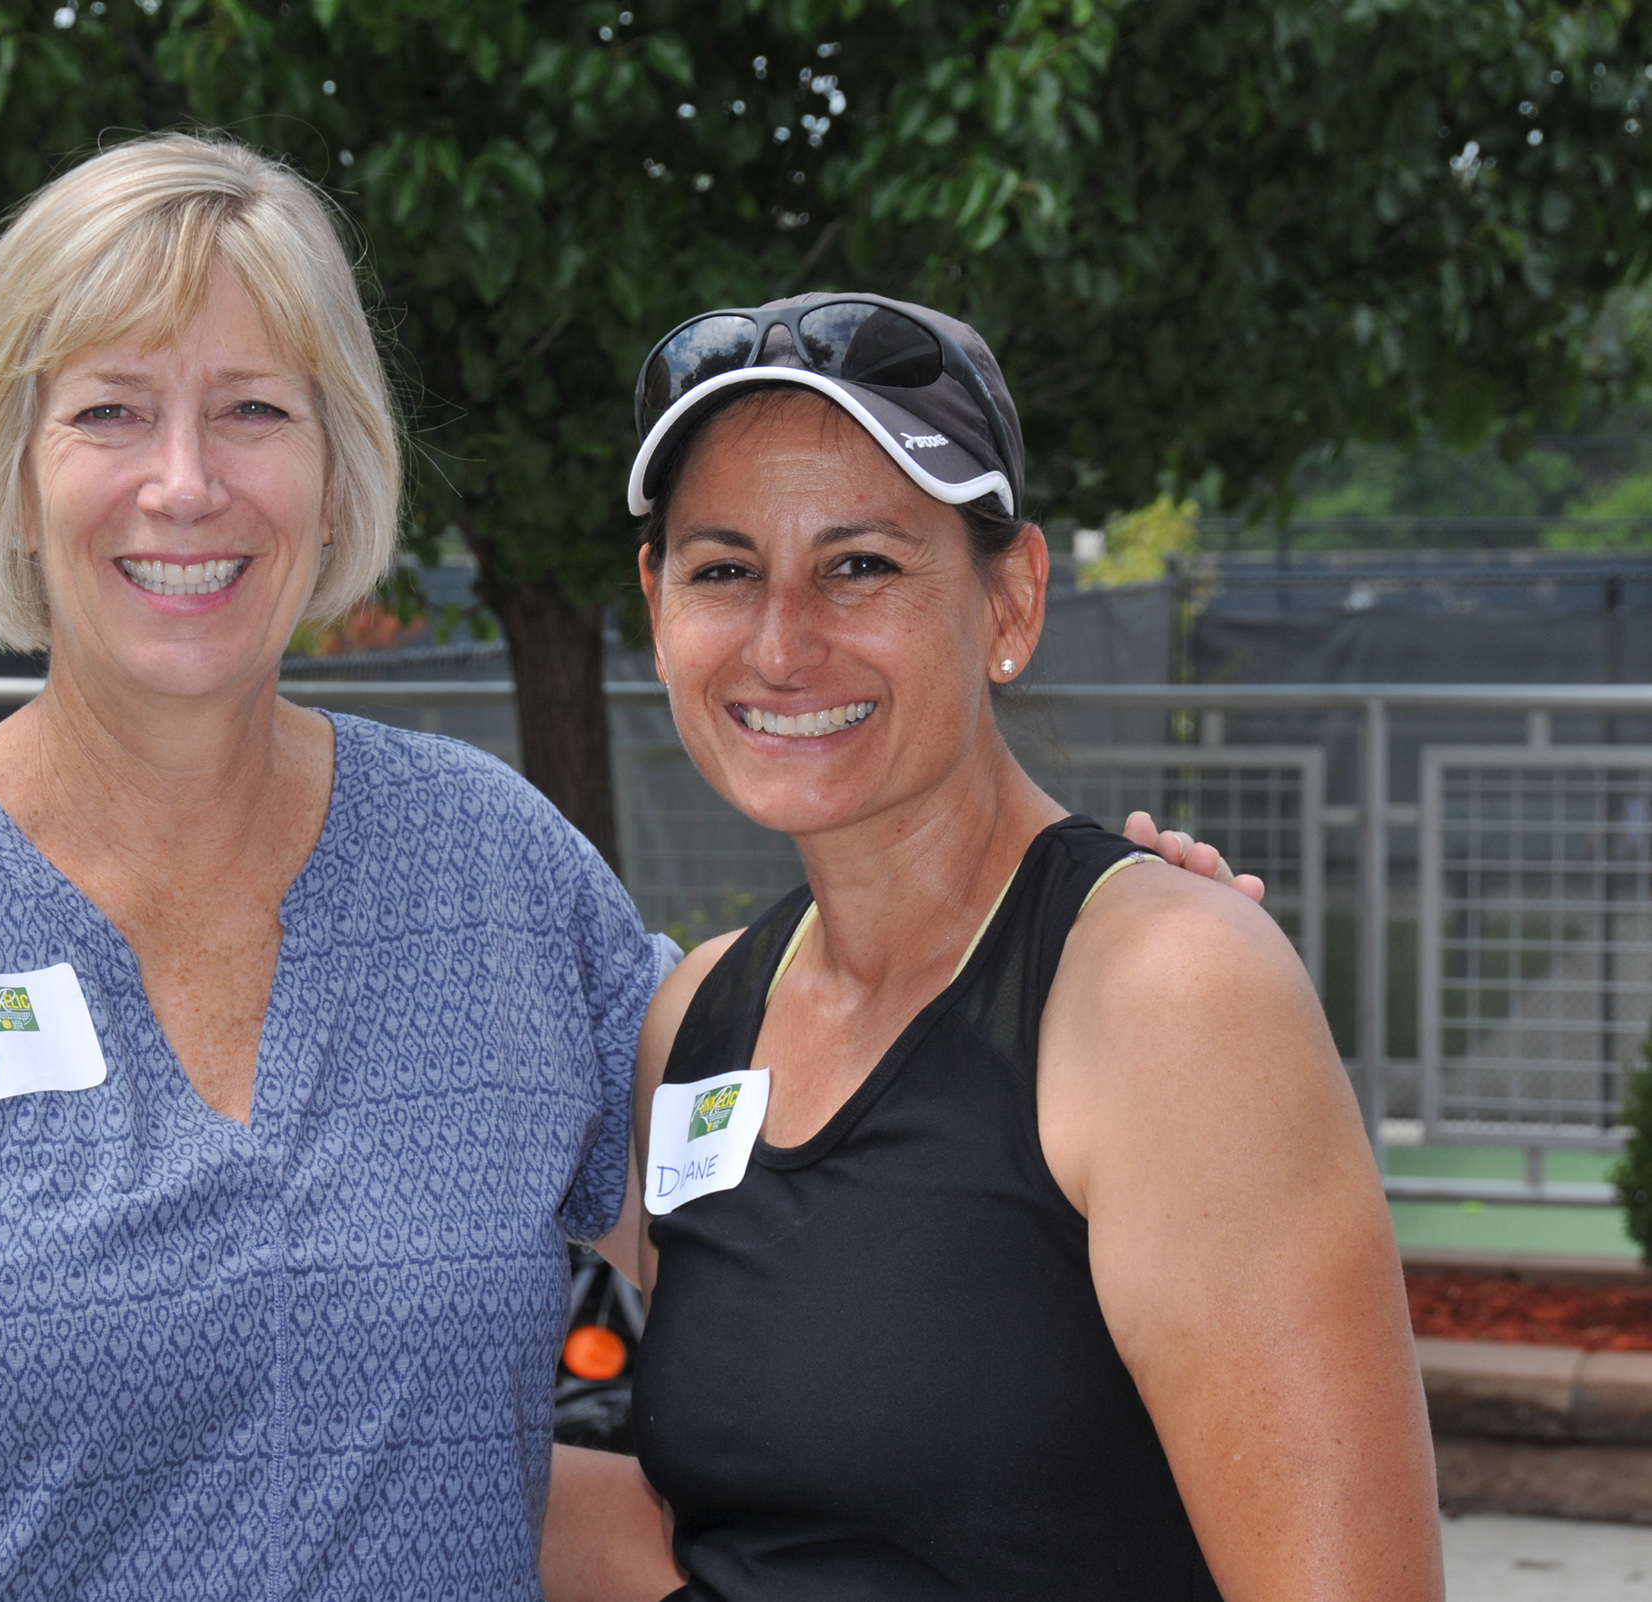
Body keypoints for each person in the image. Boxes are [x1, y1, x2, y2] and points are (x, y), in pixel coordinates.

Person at [0, 133, 678, 1600]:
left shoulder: (496, 874)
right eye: (112, 410)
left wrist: (1058, 952)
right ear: (16, 465)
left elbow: (819, 1217)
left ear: (334, 457)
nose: (185, 483)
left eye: (252, 409)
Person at [550, 294, 1440, 1600]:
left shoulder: (1165, 997)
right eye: (725, 569)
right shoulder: (695, 1019)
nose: (783, 642)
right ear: (657, 603)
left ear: (1010, 596)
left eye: (861, 564)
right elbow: (739, 1512)